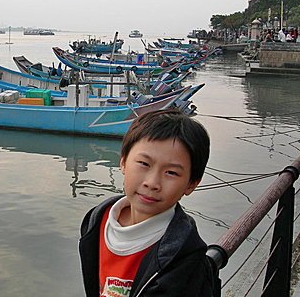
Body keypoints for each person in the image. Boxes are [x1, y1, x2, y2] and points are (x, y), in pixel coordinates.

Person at [79, 108, 220, 297]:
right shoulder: (97, 220)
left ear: (191, 184)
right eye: (144, 164)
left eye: (171, 173)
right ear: (123, 162)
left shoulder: (185, 256)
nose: (152, 183)